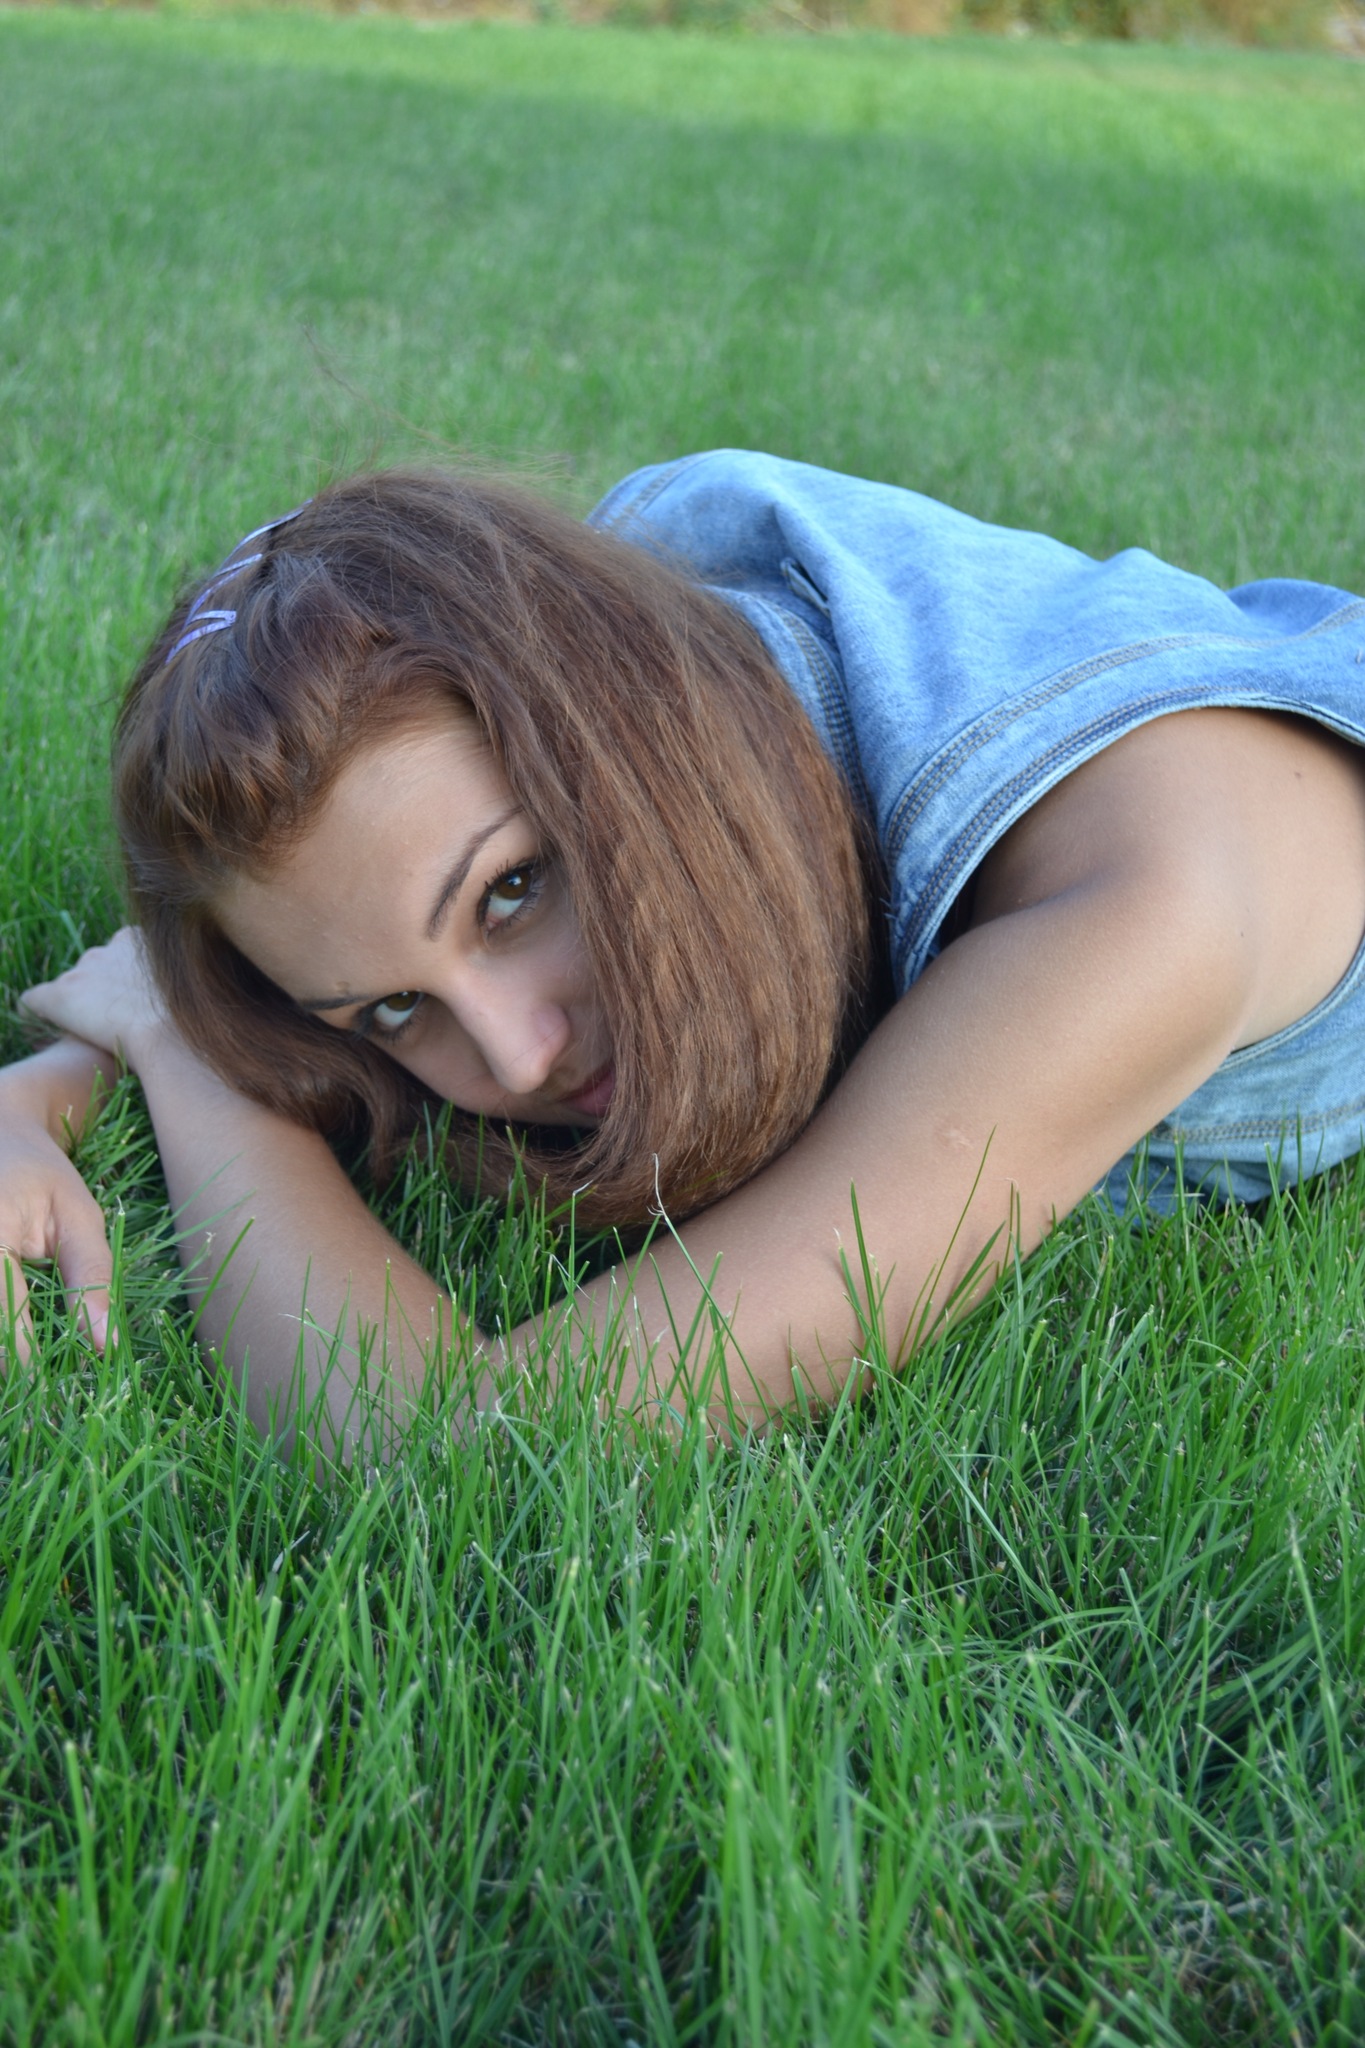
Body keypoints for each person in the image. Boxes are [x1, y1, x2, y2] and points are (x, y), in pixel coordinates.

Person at [4, 450, 1365, 1455]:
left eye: (511, 892)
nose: (515, 1060)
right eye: (391, 1013)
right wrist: (51, 1085)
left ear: (626, 734)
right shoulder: (636, 671)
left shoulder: (1143, 906)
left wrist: (184, 1062)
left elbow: (458, 1450)